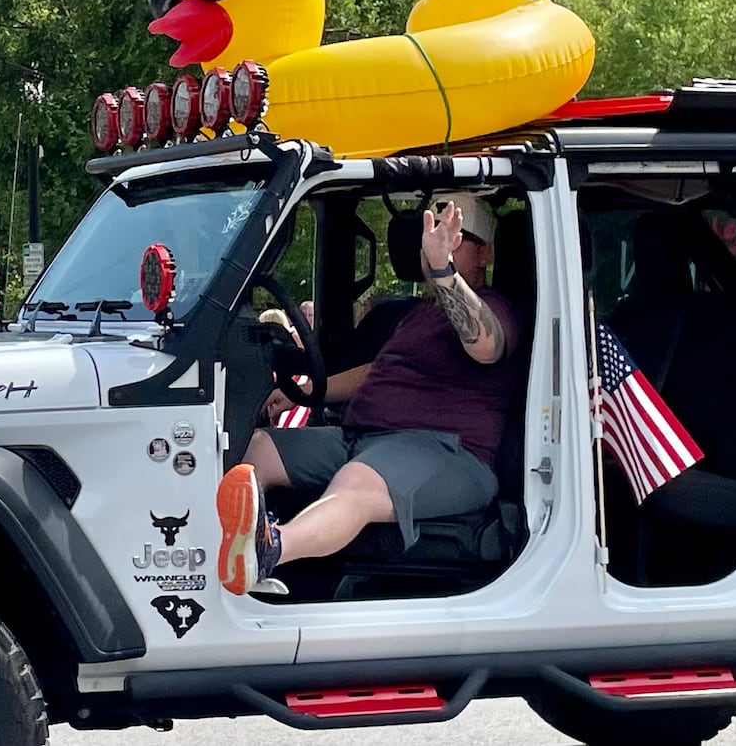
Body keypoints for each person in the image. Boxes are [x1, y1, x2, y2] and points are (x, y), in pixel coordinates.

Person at [216, 193, 526, 596]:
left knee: (357, 483)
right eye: (428, 234)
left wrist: (442, 269)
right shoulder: (415, 314)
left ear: (483, 253)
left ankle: (267, 551)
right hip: (361, 437)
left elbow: (483, 343)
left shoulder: (498, 308)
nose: (434, 242)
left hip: (447, 450)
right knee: (255, 448)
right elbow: (380, 373)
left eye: (452, 235)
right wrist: (309, 393)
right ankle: (210, 556)